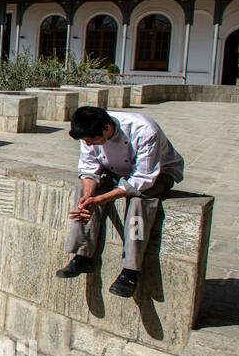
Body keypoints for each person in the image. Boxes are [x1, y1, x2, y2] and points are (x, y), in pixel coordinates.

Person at [55, 105, 185, 298]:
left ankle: (131, 270)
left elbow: (142, 179)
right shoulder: (89, 131)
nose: (88, 144)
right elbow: (89, 168)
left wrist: (101, 199)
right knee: (84, 191)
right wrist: (90, 198)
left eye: (91, 141)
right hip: (116, 171)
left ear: (106, 129)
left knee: (139, 201)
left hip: (158, 173)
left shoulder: (145, 130)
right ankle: (83, 254)